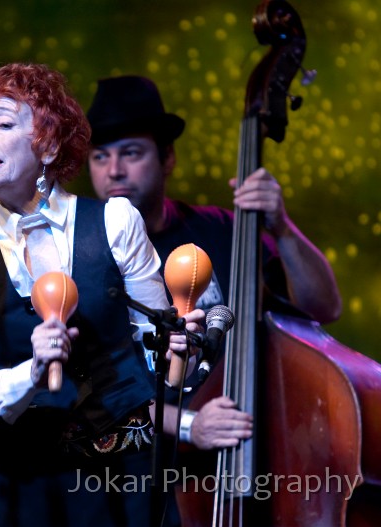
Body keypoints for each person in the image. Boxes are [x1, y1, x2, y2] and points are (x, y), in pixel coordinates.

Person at [0, 62, 204, 527]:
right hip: (19, 484)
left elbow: (163, 364)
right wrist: (30, 374)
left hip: (121, 477)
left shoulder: (115, 222)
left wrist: (183, 348)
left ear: (50, 144)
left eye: (2, 124)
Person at [85, 74, 342, 523]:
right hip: (127, 482)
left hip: (243, 466)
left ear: (167, 158)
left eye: (131, 152)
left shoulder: (222, 230)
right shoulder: (81, 257)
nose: (114, 171)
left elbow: (323, 310)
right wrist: (190, 425)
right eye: (100, 156)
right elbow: (94, 392)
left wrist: (281, 226)